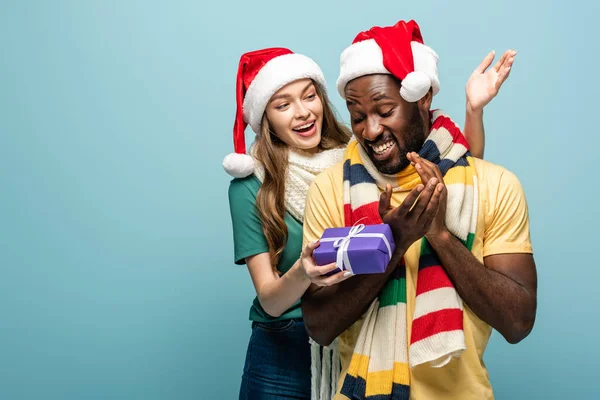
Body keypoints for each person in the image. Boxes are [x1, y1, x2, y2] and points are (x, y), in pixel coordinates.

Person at [224, 42, 515, 399]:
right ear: (264, 117)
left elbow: (458, 175)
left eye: (309, 96)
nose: (302, 113)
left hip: (355, 330)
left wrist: (473, 111)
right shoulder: (252, 184)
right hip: (286, 341)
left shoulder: (356, 155)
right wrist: (305, 270)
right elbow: (270, 300)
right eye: (283, 105)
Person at [300, 20, 536, 400]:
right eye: (357, 116)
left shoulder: (494, 185)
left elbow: (518, 322)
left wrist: (439, 234)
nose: (370, 130)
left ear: (422, 98)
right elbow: (319, 326)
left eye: (385, 109)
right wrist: (392, 244)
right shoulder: (330, 190)